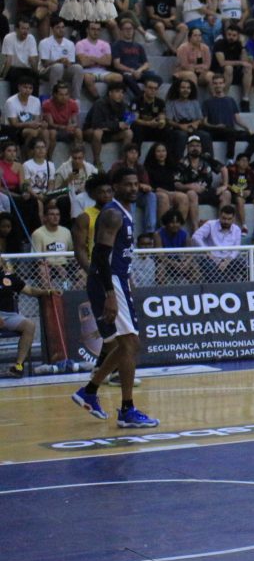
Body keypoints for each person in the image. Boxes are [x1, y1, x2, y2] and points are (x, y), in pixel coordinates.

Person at [70, 168, 159, 427]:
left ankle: (90, 391)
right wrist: (110, 293)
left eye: (136, 184)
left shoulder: (123, 212)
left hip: (118, 281)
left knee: (123, 345)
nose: (133, 188)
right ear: (116, 187)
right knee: (130, 344)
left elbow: (118, 255)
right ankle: (127, 410)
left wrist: (127, 281)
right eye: (127, 184)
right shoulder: (112, 213)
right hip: (110, 283)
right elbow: (99, 256)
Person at [0, 259, 54, 377]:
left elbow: (29, 290)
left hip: (9, 316)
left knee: (29, 325)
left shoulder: (9, 277)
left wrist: (47, 292)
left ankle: (18, 366)